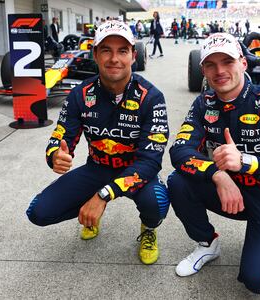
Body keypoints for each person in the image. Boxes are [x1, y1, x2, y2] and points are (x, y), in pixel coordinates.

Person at [167, 33, 260, 295]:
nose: (219, 70)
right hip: (228, 190)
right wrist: (217, 174)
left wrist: (247, 162)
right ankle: (207, 243)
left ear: (243, 63)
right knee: (177, 181)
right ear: (203, 70)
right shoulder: (204, 103)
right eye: (211, 64)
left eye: (227, 61)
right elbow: (178, 151)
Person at [26, 21, 170, 265]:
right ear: (95, 54)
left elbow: (151, 161)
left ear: (133, 56)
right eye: (106, 50)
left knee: (156, 202)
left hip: (136, 171)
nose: (114, 58)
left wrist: (103, 196)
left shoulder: (152, 97)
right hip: (97, 168)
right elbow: (60, 137)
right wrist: (54, 155)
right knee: (38, 212)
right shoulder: (80, 94)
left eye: (122, 51)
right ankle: (91, 212)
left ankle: (148, 228)